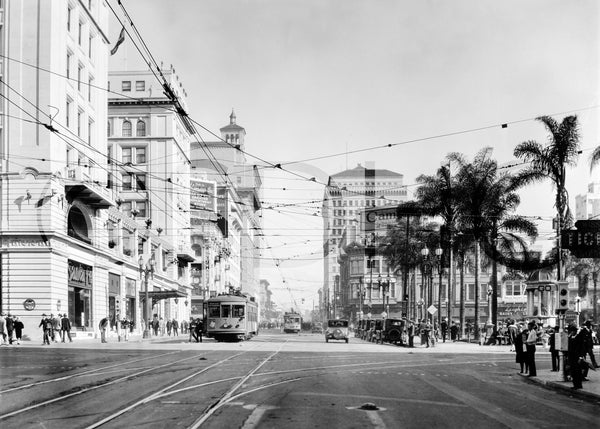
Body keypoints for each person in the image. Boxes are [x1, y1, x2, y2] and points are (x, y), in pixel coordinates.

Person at [567, 324, 586, 390]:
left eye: (573, 331)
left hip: (577, 357)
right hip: (572, 357)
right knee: (573, 372)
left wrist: (580, 357)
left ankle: (579, 385)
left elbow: (582, 348)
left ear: (575, 331)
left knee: (578, 371)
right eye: (571, 331)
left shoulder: (579, 338)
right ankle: (575, 384)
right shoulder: (570, 338)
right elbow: (569, 349)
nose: (572, 332)